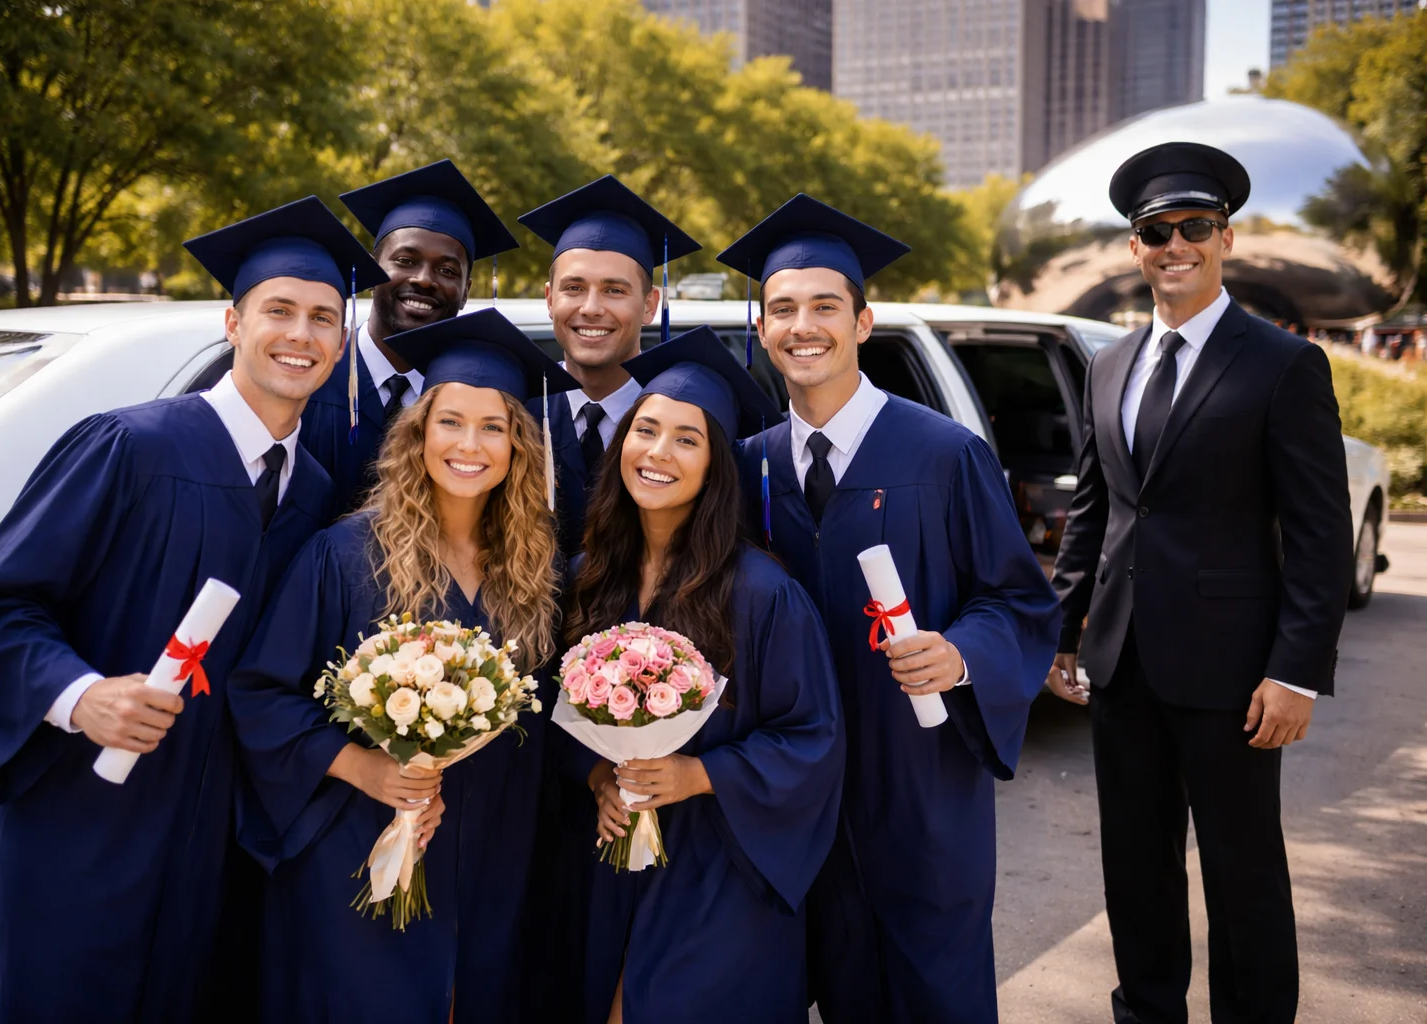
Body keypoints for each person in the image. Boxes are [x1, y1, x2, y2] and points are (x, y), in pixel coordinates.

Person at [0, 197, 384, 1022]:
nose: (302, 335)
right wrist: (81, 696)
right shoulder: (130, 447)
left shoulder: (312, 489)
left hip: (211, 840)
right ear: (232, 322)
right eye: (278, 311)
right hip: (88, 815)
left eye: (325, 318)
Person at [721, 195, 1062, 1022]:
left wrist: (960, 653)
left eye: (825, 307)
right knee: (826, 981)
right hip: (801, 790)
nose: (804, 326)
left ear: (864, 322)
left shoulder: (944, 455)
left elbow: (1018, 600)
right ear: (761, 330)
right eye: (784, 310)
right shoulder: (748, 467)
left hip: (920, 784)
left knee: (933, 988)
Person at [1048, 142, 1354, 1024]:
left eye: (1194, 227)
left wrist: (1297, 670)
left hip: (1236, 676)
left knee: (1242, 871)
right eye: (1156, 231)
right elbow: (1096, 515)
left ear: (1226, 239)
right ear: (1133, 248)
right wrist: (1066, 633)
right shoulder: (1110, 364)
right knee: (1135, 866)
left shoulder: (1282, 364)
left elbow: (1320, 533)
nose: (1174, 244)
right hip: (1124, 666)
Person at [228, 308, 575, 1023]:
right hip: (360, 841)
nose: (469, 445)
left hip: (498, 850)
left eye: (494, 427)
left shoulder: (538, 570)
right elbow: (262, 693)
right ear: (418, 435)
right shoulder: (345, 555)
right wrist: (368, 770)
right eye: (450, 422)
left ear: (520, 447)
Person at [563, 327, 845, 1024]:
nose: (658, 453)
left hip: (724, 863)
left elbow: (812, 737)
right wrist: (600, 777)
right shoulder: (590, 578)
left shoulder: (761, 593)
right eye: (646, 430)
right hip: (613, 853)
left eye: (687, 439)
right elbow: (556, 715)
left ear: (718, 466)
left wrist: (697, 775)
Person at [301, 159, 520, 514]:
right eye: (405, 260)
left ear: (466, 290)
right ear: (373, 268)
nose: (424, 279)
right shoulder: (309, 380)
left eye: (447, 270)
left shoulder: (476, 406)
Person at [518, 175, 700, 555]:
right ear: (550, 299)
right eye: (574, 288)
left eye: (614, 290)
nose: (591, 308)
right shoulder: (514, 414)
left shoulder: (689, 425)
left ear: (650, 304)